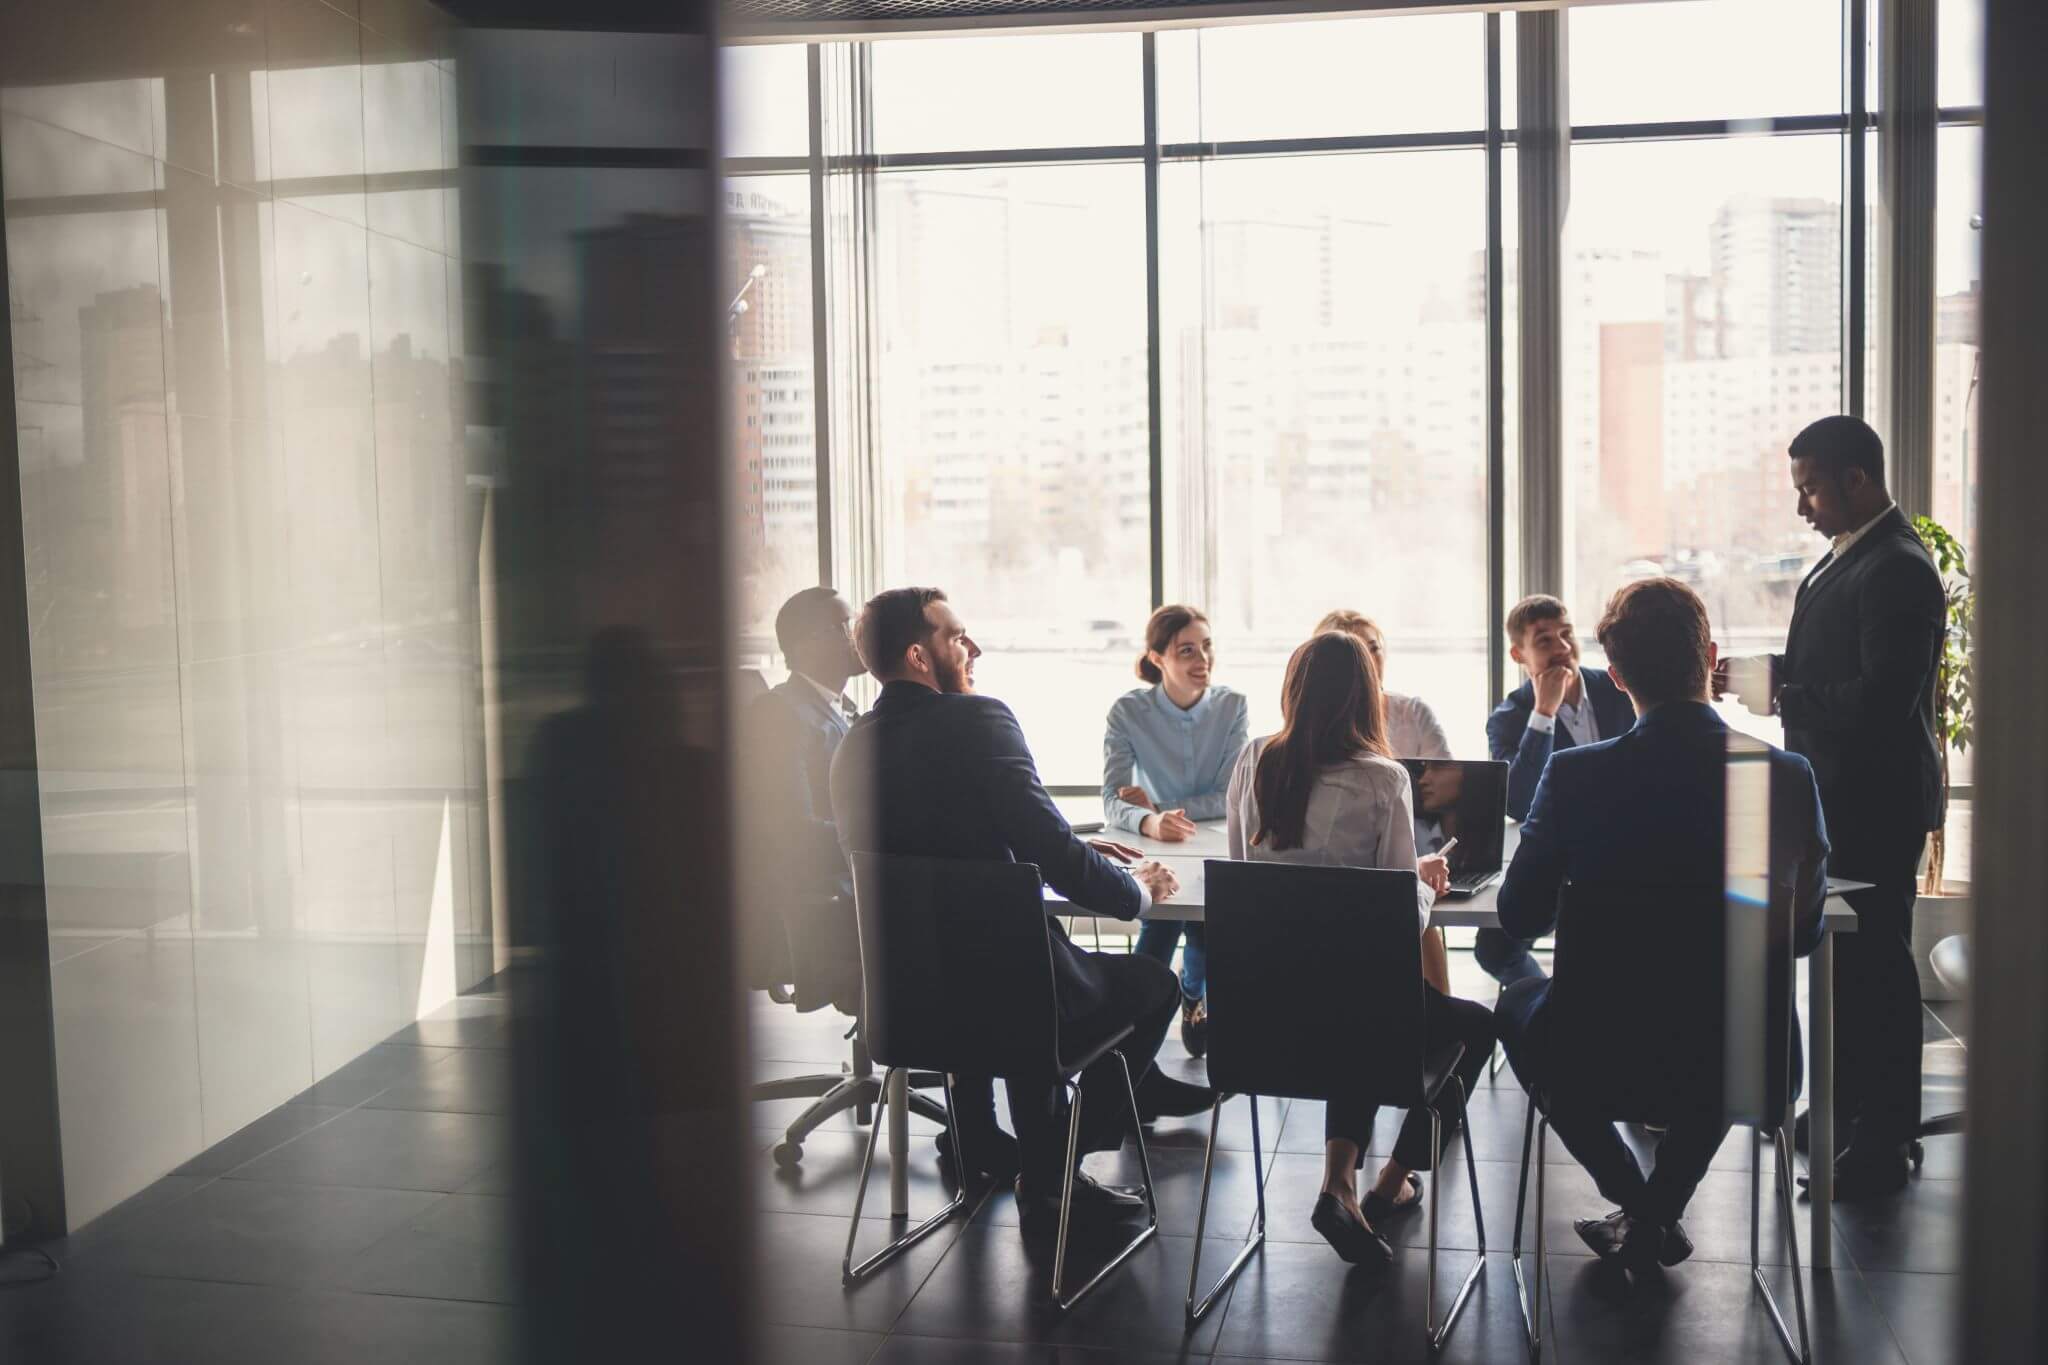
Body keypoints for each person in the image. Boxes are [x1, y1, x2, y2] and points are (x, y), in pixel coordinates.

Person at [830, 587, 1213, 1226]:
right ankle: (1055, 1165)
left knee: (1025, 970)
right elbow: (1057, 860)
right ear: (920, 656)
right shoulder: (979, 719)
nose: (973, 647)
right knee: (1153, 985)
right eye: (958, 637)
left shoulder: (851, 746)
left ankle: (980, 1139)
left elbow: (937, 841)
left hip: (910, 1002)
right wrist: (1138, 891)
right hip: (1012, 997)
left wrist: (1054, 846)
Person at [1495, 578, 1831, 1272]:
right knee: (1724, 1024)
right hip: (1752, 1057)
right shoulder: (1784, 775)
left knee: (1518, 1008)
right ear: (1710, 655)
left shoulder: (1577, 776)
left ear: (1615, 676)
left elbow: (1517, 918)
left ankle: (1637, 1201)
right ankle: (1659, 1208)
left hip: (1600, 1049)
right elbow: (1802, 935)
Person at [1716, 415, 1946, 1198]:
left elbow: (1886, 698)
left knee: (1877, 966)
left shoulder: (1900, 567)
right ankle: (1851, 1116)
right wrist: (1764, 675)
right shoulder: (1849, 558)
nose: (1802, 505)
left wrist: (1787, 691)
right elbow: (1834, 664)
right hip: (1840, 794)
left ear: (1856, 479)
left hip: (1875, 803)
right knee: (1848, 966)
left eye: (1810, 486)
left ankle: (1882, 1141)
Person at [1224, 631, 1493, 1268]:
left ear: (1292, 689)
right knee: (1469, 1026)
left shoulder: (1253, 759)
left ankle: (1339, 1184)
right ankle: (1389, 1180)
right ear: (1367, 699)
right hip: (1364, 1023)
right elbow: (1397, 920)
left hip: (1264, 1025)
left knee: (1359, 993)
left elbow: (1241, 876)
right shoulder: (1382, 779)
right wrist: (1424, 883)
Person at [1102, 605, 1249, 1059]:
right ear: (1157, 657)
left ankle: (1190, 996)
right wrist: (1147, 822)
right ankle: (1132, 1044)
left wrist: (1160, 808)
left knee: (1206, 927)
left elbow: (1230, 793)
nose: (1202, 658)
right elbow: (1113, 799)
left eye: (1206, 646)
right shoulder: (1128, 711)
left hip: (1216, 845)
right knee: (1160, 926)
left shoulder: (1232, 706)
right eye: (1187, 650)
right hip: (1153, 845)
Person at [1480, 594, 1638, 987]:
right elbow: (1517, 802)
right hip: (1557, 855)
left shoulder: (1619, 689)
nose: (1562, 648)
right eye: (1544, 639)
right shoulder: (1508, 718)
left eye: (1566, 634)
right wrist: (1543, 715)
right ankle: (1551, 1005)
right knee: (1495, 947)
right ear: (1519, 654)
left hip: (1627, 849)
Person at [1316, 610, 1453, 759]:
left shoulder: (1415, 713)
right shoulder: (1314, 722)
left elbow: (1447, 777)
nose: (1369, 661)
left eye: (1374, 649)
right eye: (1357, 653)